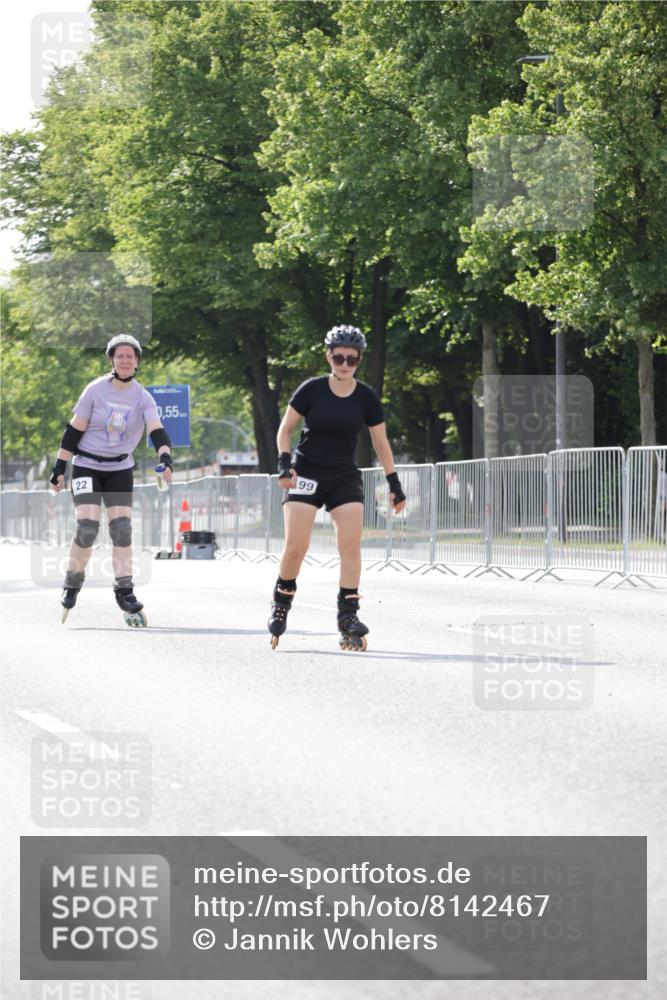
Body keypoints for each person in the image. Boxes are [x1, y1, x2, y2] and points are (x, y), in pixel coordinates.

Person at [268, 324, 407, 650]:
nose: (345, 364)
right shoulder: (311, 390)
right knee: (296, 546)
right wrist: (284, 463)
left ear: (359, 360)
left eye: (352, 359)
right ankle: (281, 600)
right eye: (339, 357)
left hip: (344, 475)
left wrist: (394, 483)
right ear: (328, 356)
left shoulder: (366, 397)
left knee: (351, 545)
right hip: (306, 472)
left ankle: (348, 617)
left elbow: (381, 443)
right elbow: (285, 429)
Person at [49, 334, 173, 625]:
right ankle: (72, 581)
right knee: (87, 527)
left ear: (137, 361)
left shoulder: (143, 397)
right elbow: (73, 432)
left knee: (122, 529)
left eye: (131, 356)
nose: (125, 360)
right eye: (120, 356)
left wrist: (165, 459)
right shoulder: (95, 390)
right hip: (86, 466)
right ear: (112, 360)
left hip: (119, 468)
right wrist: (58, 468)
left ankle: (124, 591)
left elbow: (157, 431)